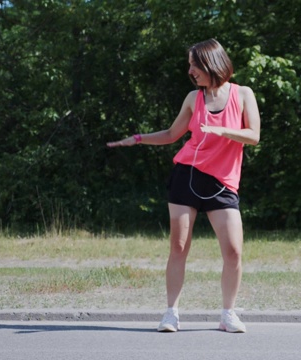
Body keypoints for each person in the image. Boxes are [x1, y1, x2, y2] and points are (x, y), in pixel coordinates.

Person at [107, 38, 260, 333]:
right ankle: (171, 313)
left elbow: (253, 135)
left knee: (234, 252)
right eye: (190, 65)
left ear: (210, 63)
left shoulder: (243, 94)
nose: (190, 70)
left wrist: (222, 130)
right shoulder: (193, 98)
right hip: (186, 177)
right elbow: (170, 134)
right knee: (178, 247)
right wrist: (137, 139)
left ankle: (228, 314)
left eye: (194, 64)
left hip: (223, 183)